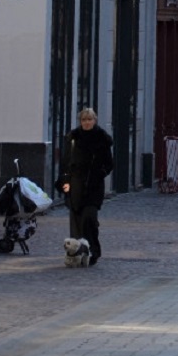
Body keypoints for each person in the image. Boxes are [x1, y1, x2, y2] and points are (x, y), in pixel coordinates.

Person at [57, 108, 114, 266]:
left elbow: (109, 163)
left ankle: (94, 249)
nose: (87, 123)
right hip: (76, 185)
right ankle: (76, 252)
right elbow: (66, 162)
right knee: (76, 220)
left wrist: (99, 174)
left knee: (89, 218)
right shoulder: (73, 138)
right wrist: (65, 181)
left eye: (89, 119)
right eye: (84, 120)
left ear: (94, 120)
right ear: (80, 121)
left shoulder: (102, 139)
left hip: (94, 185)